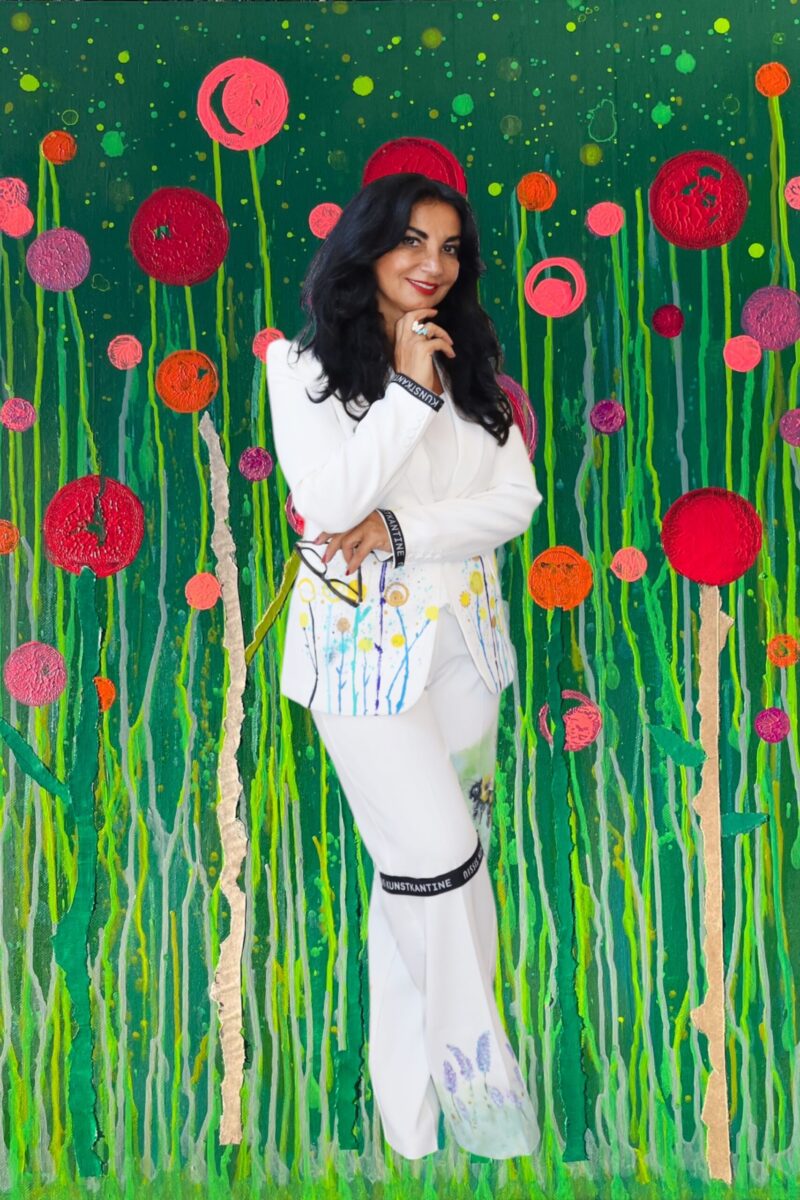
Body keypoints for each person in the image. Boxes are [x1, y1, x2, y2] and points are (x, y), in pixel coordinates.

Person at [266, 172, 543, 1160]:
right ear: (369, 247)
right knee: (439, 860)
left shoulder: (470, 365)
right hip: (357, 662)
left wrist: (400, 530)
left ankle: (407, 1112)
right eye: (412, 242)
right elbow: (330, 501)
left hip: (467, 652)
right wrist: (408, 393)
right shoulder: (300, 370)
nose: (433, 264)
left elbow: (513, 504)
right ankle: (482, 1090)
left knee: (410, 881)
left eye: (451, 247)